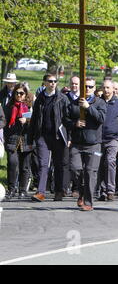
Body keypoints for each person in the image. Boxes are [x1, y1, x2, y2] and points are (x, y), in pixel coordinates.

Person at [28, 74, 71, 202]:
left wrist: (69, 137)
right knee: (43, 164)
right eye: (50, 81)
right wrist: (30, 139)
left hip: (58, 136)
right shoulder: (40, 99)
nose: (52, 83)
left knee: (58, 164)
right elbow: (34, 120)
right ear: (44, 83)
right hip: (42, 135)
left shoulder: (62, 98)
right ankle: (40, 192)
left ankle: (58, 191)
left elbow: (68, 119)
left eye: (55, 81)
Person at [67, 77, 106, 211]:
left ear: (95, 88)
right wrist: (74, 124)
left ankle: (88, 202)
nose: (88, 89)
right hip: (77, 143)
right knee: (75, 169)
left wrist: (88, 107)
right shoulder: (74, 102)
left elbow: (101, 118)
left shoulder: (100, 103)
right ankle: (82, 192)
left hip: (94, 144)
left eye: (90, 87)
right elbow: (65, 119)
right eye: (86, 87)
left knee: (90, 173)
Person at [97, 80, 118, 201]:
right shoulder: (98, 102)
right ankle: (102, 190)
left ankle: (110, 190)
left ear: (113, 89)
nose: (106, 90)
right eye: (104, 88)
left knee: (110, 162)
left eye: (108, 88)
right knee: (100, 164)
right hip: (98, 140)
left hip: (113, 139)